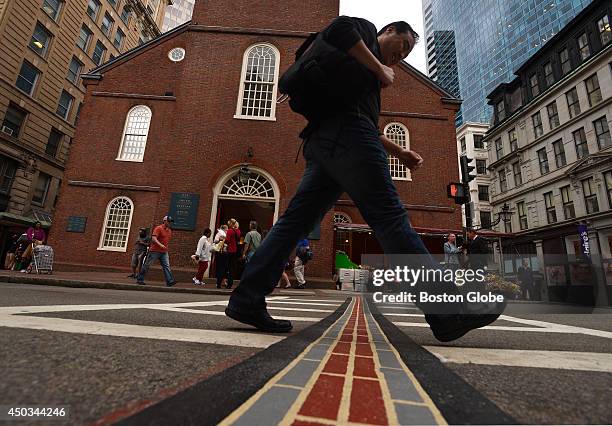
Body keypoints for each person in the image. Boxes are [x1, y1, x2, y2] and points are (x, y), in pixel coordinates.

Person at [225, 16, 505, 339]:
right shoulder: (367, 33)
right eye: (402, 46)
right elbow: (339, 28)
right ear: (388, 31)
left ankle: (247, 297)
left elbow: (364, 120)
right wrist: (378, 68)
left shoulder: (359, 71)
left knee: (294, 224)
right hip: (348, 137)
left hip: (325, 142)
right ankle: (446, 310)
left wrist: (398, 153)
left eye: (406, 56)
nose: (400, 58)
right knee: (390, 218)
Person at [136, 216, 176, 287]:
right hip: (154, 251)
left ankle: (169, 281)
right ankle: (140, 279)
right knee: (147, 265)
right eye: (169, 221)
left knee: (166, 266)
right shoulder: (158, 228)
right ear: (164, 221)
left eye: (170, 222)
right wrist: (160, 245)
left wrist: (164, 247)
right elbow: (154, 238)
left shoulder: (169, 230)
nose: (170, 223)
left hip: (164, 252)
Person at [217, 219, 240, 289]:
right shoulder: (238, 231)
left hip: (228, 251)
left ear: (231, 224)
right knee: (231, 269)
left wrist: (221, 239)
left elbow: (227, 240)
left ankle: (219, 283)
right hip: (234, 252)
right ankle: (229, 284)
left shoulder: (230, 231)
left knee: (223, 267)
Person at [213, 224, 229, 289]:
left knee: (224, 268)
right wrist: (221, 239)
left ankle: (222, 282)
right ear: (224, 229)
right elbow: (215, 241)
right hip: (221, 252)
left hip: (225, 253)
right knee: (221, 268)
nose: (227, 230)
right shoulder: (219, 233)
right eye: (226, 229)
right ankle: (219, 283)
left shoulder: (226, 234)